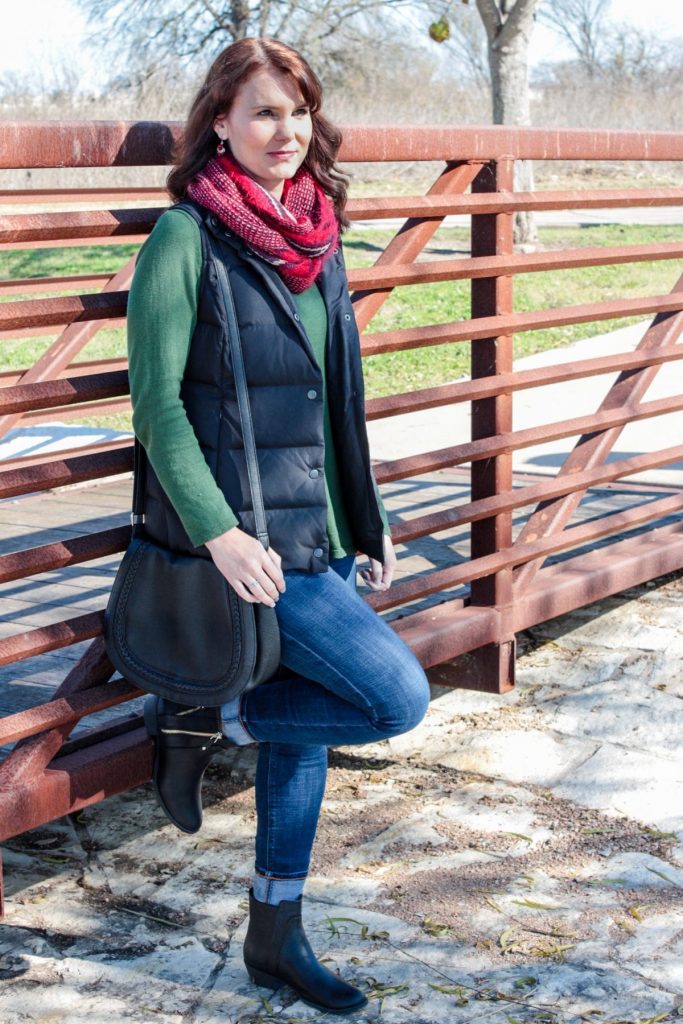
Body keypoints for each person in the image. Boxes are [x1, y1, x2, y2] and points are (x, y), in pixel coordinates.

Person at [127, 36, 431, 1015]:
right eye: (262, 111)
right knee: (395, 698)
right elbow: (159, 410)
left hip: (316, 541)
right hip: (245, 548)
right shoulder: (185, 241)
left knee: (303, 738)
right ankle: (208, 713)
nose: (284, 132)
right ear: (218, 121)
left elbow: (338, 394)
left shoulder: (317, 236)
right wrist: (219, 534)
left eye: (297, 113)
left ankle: (274, 936)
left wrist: (367, 520)